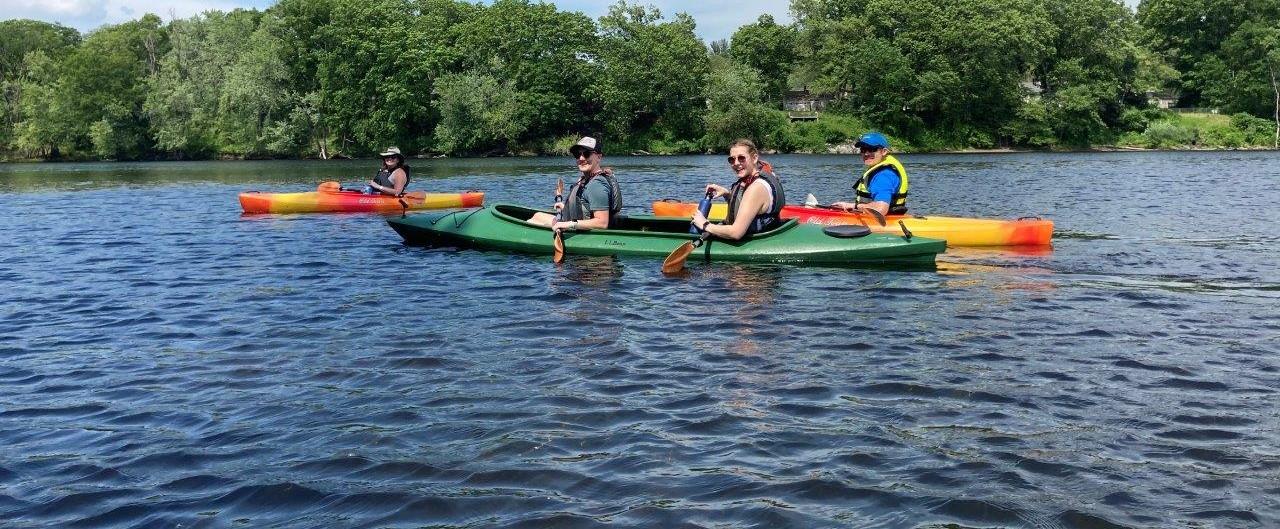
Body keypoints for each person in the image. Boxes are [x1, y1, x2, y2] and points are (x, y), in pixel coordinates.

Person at [690, 138, 784, 240]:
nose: (736, 163)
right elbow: (752, 204)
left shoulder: (756, 188)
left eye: (741, 158)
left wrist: (705, 224)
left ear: (754, 158)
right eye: (732, 159)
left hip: (756, 241)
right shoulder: (762, 176)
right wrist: (727, 194)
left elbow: (736, 233)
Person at [527, 136, 621, 231]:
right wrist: (566, 207)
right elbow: (586, 208)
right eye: (577, 154)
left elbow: (602, 223)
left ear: (599, 157)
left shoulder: (596, 185)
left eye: (586, 154)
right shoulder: (589, 179)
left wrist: (569, 224)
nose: (581, 158)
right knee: (537, 215)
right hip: (577, 223)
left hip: (585, 234)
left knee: (532, 222)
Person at [831, 132, 909, 216]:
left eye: (872, 149)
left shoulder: (883, 175)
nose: (866, 153)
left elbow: (880, 210)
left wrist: (853, 206)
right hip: (886, 218)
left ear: (884, 151)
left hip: (882, 222)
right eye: (863, 150)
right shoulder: (880, 167)